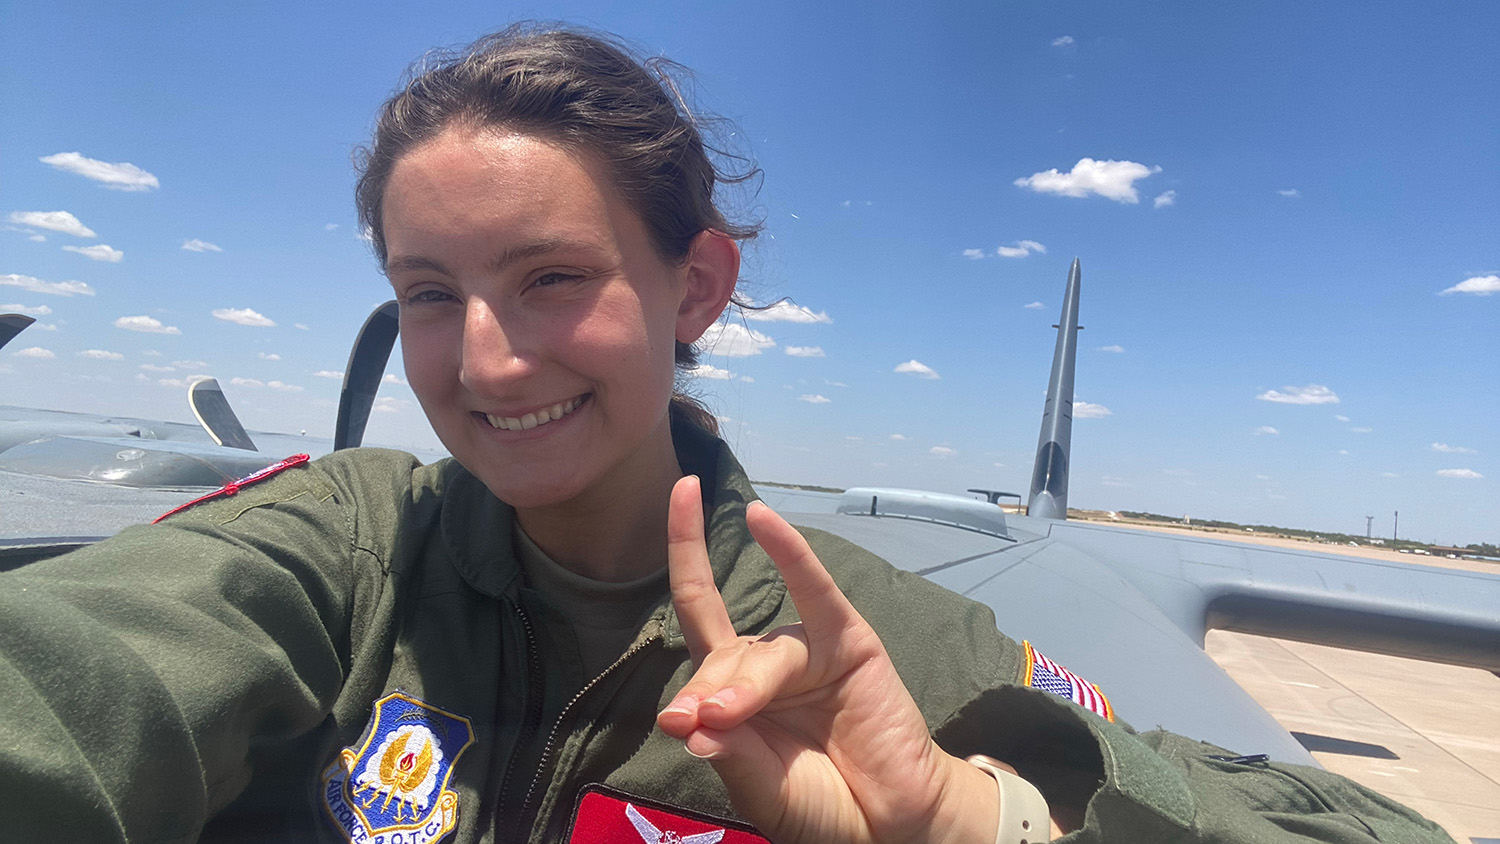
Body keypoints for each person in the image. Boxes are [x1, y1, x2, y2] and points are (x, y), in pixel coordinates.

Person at [0, 24, 1455, 844]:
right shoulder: (346, 556)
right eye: (428, 296)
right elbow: (69, 683)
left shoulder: (879, 654)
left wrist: (963, 813)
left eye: (554, 278)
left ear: (693, 282)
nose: (487, 358)